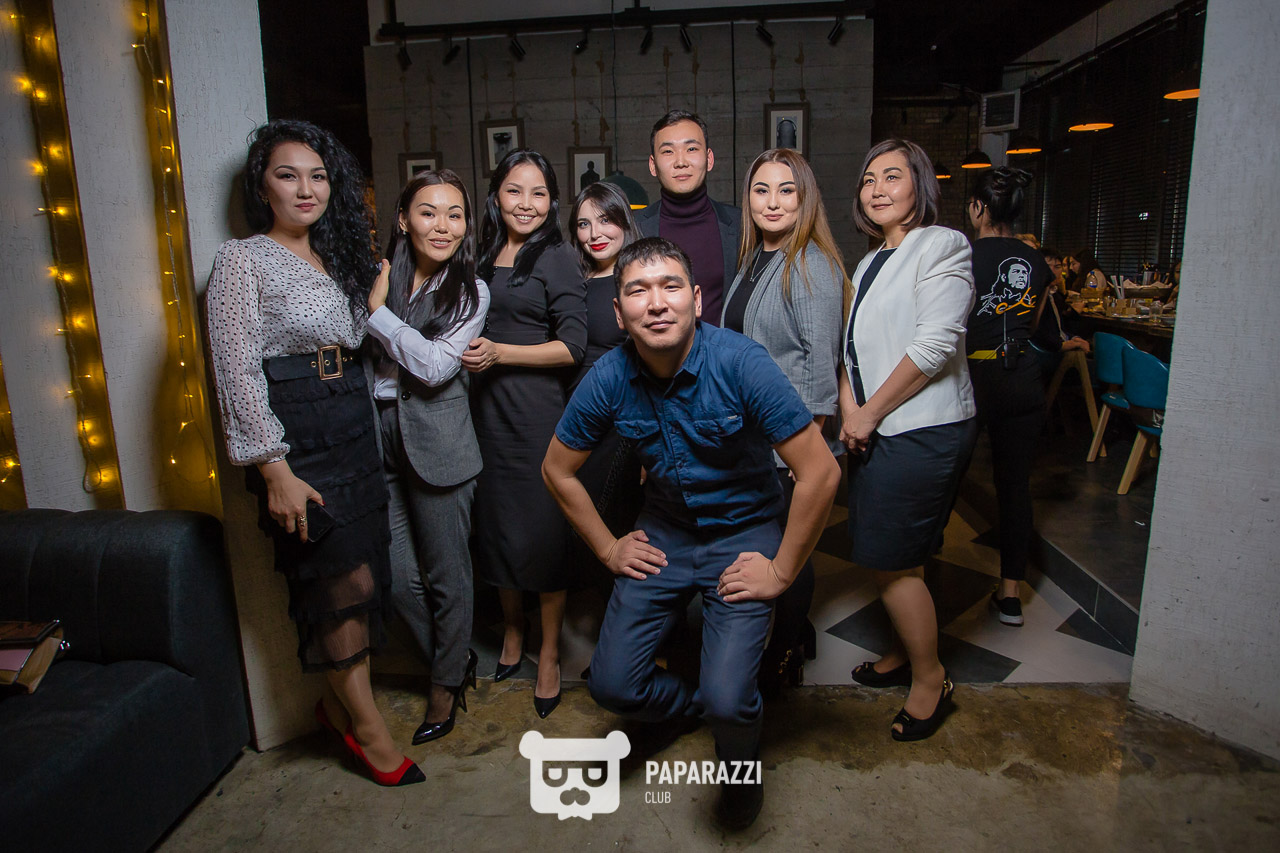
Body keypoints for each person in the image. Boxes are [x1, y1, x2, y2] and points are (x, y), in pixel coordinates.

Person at [542, 237, 839, 830]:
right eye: (638, 291)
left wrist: (780, 568)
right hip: (665, 534)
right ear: (619, 313)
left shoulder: (741, 362)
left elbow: (821, 472)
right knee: (612, 686)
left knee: (732, 701)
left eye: (670, 286)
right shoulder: (609, 377)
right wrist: (608, 546)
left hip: (745, 534)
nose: (656, 303)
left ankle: (738, 768)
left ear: (697, 300)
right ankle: (686, 708)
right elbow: (556, 469)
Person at [205, 119, 422, 786]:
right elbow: (236, 369)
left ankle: (343, 706)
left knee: (365, 574)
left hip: (350, 418)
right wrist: (274, 468)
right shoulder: (242, 259)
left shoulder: (335, 256)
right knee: (337, 581)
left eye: (318, 176)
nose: (306, 188)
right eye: (287, 175)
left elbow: (349, 339)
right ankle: (366, 727)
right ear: (261, 187)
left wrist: (372, 302)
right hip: (297, 431)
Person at [839, 138, 978, 742]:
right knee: (888, 552)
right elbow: (849, 350)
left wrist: (867, 414)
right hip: (876, 425)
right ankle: (902, 653)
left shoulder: (941, 245)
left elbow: (933, 346)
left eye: (892, 176)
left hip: (923, 429)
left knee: (893, 560)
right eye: (869, 179)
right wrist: (851, 409)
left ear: (919, 184)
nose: (877, 189)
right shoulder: (869, 261)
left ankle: (930, 678)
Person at [365, 170, 488, 744]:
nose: (443, 225)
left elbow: (437, 367)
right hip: (379, 434)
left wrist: (378, 315)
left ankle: (444, 685)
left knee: (447, 578)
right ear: (403, 219)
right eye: (428, 212)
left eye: (455, 214)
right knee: (393, 579)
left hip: (440, 440)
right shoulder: (380, 277)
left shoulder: (472, 291)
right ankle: (453, 658)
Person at [466, 149, 587, 719]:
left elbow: (573, 346)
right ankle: (512, 630)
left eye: (539, 193)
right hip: (484, 413)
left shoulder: (557, 256)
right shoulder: (482, 252)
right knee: (496, 527)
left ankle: (549, 653)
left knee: (541, 533)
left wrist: (500, 353)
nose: (526, 203)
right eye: (515, 190)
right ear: (496, 195)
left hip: (535, 414)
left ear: (552, 201)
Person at [722, 148, 847, 695]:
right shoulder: (756, 259)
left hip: (791, 444)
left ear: (805, 199)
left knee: (788, 552)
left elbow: (821, 364)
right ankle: (791, 636)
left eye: (786, 190)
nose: (772, 202)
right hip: (755, 440)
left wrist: (808, 451)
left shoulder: (810, 263)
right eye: (761, 189)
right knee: (771, 545)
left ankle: (786, 651)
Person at [966, 168, 1090, 626]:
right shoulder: (1036, 261)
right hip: (1020, 378)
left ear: (978, 208)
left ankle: (920, 579)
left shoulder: (961, 254)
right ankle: (1011, 595)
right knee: (1014, 487)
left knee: (946, 481)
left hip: (971, 379)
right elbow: (1041, 329)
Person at [566, 182, 645, 581]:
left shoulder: (637, 277)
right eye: (584, 224)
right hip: (578, 415)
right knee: (586, 527)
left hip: (621, 423)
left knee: (617, 525)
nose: (594, 233)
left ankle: (626, 611)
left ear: (624, 220)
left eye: (605, 220)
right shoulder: (575, 279)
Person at [635, 109, 741, 326]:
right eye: (668, 151)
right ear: (653, 165)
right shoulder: (633, 227)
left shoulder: (741, 224)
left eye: (691, 149)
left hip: (724, 347)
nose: (681, 161)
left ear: (709, 159)